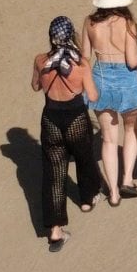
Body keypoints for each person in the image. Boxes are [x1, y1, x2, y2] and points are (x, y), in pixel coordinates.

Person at [82, 0, 137, 207]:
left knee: (107, 139)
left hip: (101, 78)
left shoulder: (89, 22)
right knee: (130, 131)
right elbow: (133, 62)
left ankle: (113, 193)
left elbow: (85, 57)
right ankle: (127, 179)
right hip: (127, 81)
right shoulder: (127, 23)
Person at [30, 16, 100, 252]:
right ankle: (88, 199)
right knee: (84, 158)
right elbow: (92, 96)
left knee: (54, 173)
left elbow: (35, 86)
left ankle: (55, 230)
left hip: (51, 118)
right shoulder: (81, 65)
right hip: (76, 117)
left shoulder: (41, 61)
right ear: (71, 36)